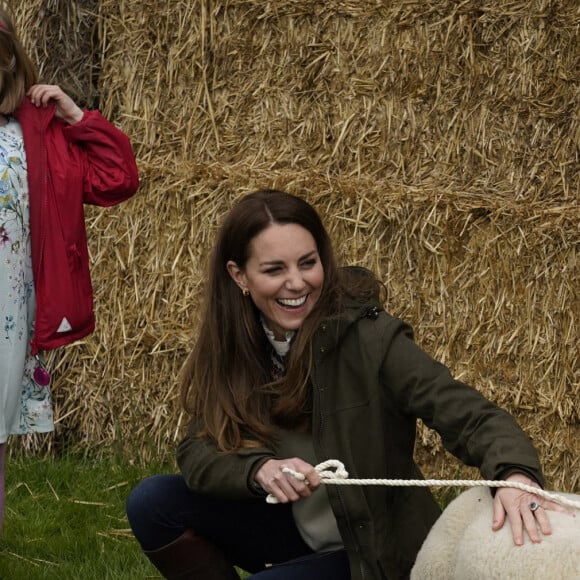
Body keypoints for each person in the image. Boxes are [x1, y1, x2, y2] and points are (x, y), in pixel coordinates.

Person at [126, 190, 569, 580]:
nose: (296, 283)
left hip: (368, 549)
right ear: (240, 276)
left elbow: (471, 415)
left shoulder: (372, 338)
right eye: (274, 269)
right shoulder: (235, 344)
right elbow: (197, 451)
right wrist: (257, 469)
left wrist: (515, 476)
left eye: (308, 262)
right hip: (291, 527)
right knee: (153, 502)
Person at [0, 6, 139, 532]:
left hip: (6, 319)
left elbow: (117, 179)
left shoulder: (34, 136)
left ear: (9, 63)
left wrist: (75, 117)